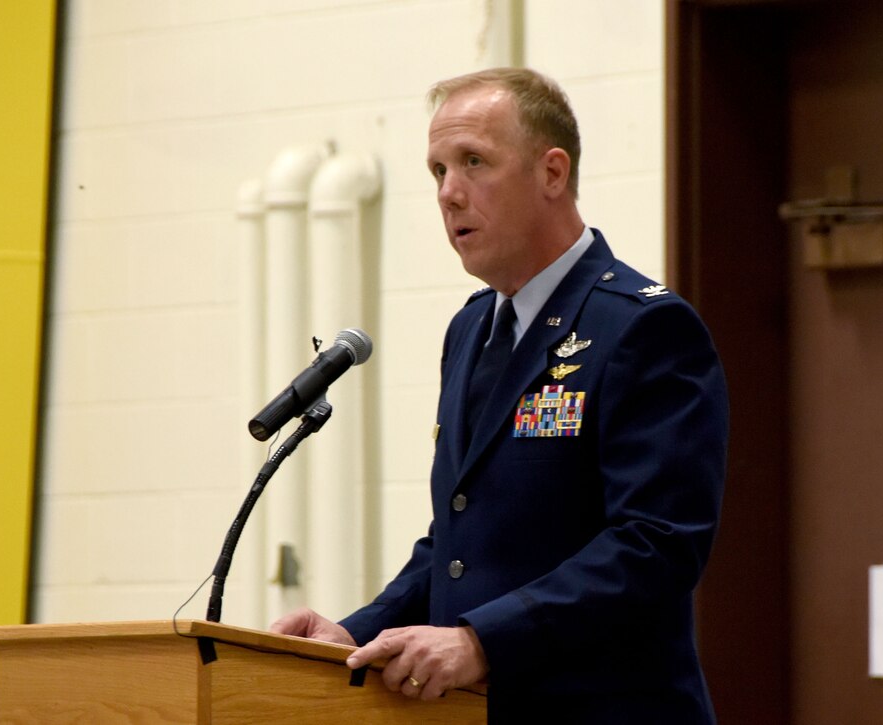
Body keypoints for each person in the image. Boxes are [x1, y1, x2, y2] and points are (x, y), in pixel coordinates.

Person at [271, 67, 728, 724]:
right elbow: (459, 544)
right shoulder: (471, 329)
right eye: (437, 172)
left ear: (552, 173)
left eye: (474, 162)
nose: (449, 194)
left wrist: (483, 640)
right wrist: (358, 631)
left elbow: (656, 544)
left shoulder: (642, 326)